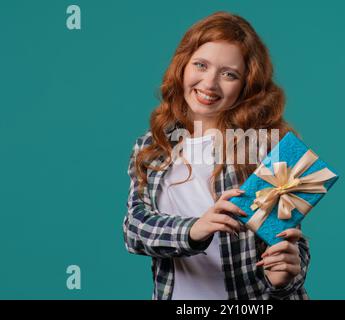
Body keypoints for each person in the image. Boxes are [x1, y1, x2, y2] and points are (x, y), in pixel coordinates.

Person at [123, 11, 310, 300]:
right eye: (201, 65)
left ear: (246, 83)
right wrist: (194, 229)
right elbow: (134, 230)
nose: (209, 84)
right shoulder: (153, 145)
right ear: (183, 66)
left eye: (229, 74)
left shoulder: (266, 147)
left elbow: (290, 243)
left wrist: (285, 276)